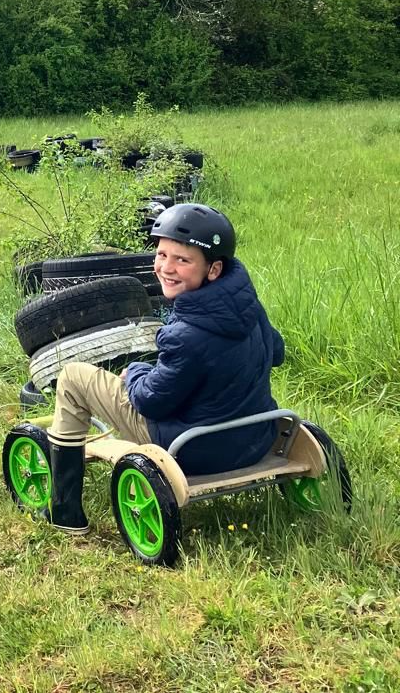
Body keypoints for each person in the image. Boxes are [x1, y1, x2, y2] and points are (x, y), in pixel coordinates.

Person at [41, 202, 285, 535]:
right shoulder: (249, 309)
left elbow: (151, 402)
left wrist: (135, 373)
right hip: (254, 439)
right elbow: (276, 352)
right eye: (161, 255)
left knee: (73, 377)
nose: (166, 268)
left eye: (182, 260)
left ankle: (64, 511)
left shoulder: (186, 335)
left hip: (191, 450)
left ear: (213, 270)